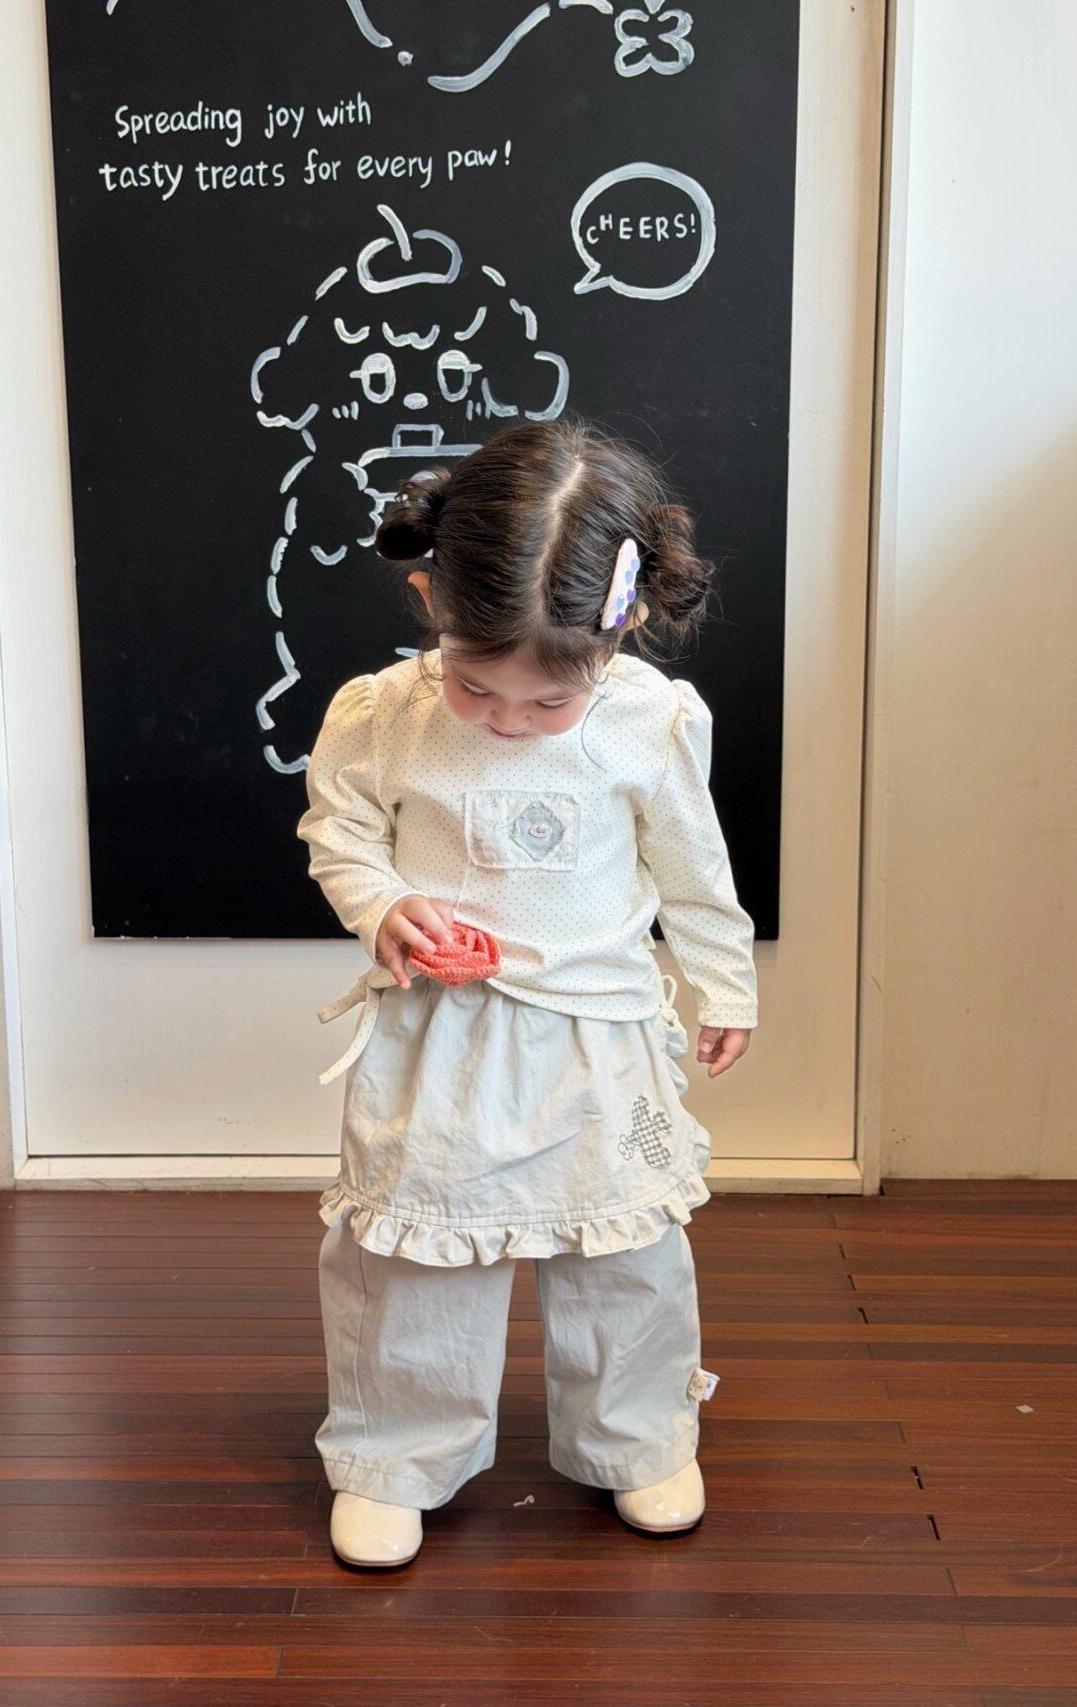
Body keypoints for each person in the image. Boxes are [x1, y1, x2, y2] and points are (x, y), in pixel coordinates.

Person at [295, 415, 758, 1567]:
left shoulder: (647, 722)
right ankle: (394, 1455)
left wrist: (723, 985)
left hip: (603, 1037)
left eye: (545, 704)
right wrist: (382, 905)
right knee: (415, 1257)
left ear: (620, 623)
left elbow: (692, 873)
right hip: (437, 1036)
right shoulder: (382, 714)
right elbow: (340, 831)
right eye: (474, 686)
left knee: (624, 1253)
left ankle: (636, 1436)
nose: (506, 719)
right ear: (428, 602)